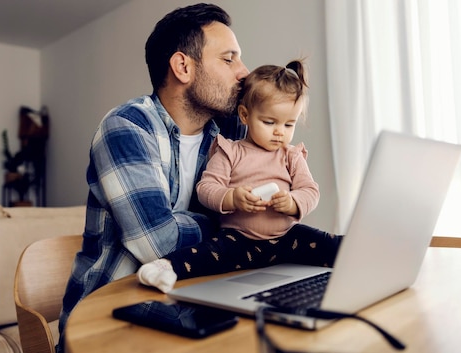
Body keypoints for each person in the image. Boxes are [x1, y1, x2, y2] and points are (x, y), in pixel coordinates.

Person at [57, 3, 249, 351]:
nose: (243, 72)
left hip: (192, 303)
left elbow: (263, 217)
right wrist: (224, 223)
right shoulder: (127, 127)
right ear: (183, 67)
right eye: (229, 59)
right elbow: (157, 242)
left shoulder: (228, 130)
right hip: (109, 321)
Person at [137, 61, 343, 293]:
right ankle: (163, 268)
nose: (279, 131)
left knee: (330, 243)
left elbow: (310, 191)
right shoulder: (230, 151)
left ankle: (372, 257)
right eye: (269, 122)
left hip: (287, 239)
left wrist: (293, 202)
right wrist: (232, 198)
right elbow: (206, 188)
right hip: (239, 239)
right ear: (245, 115)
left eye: (289, 124)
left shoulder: (291, 155)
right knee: (205, 254)